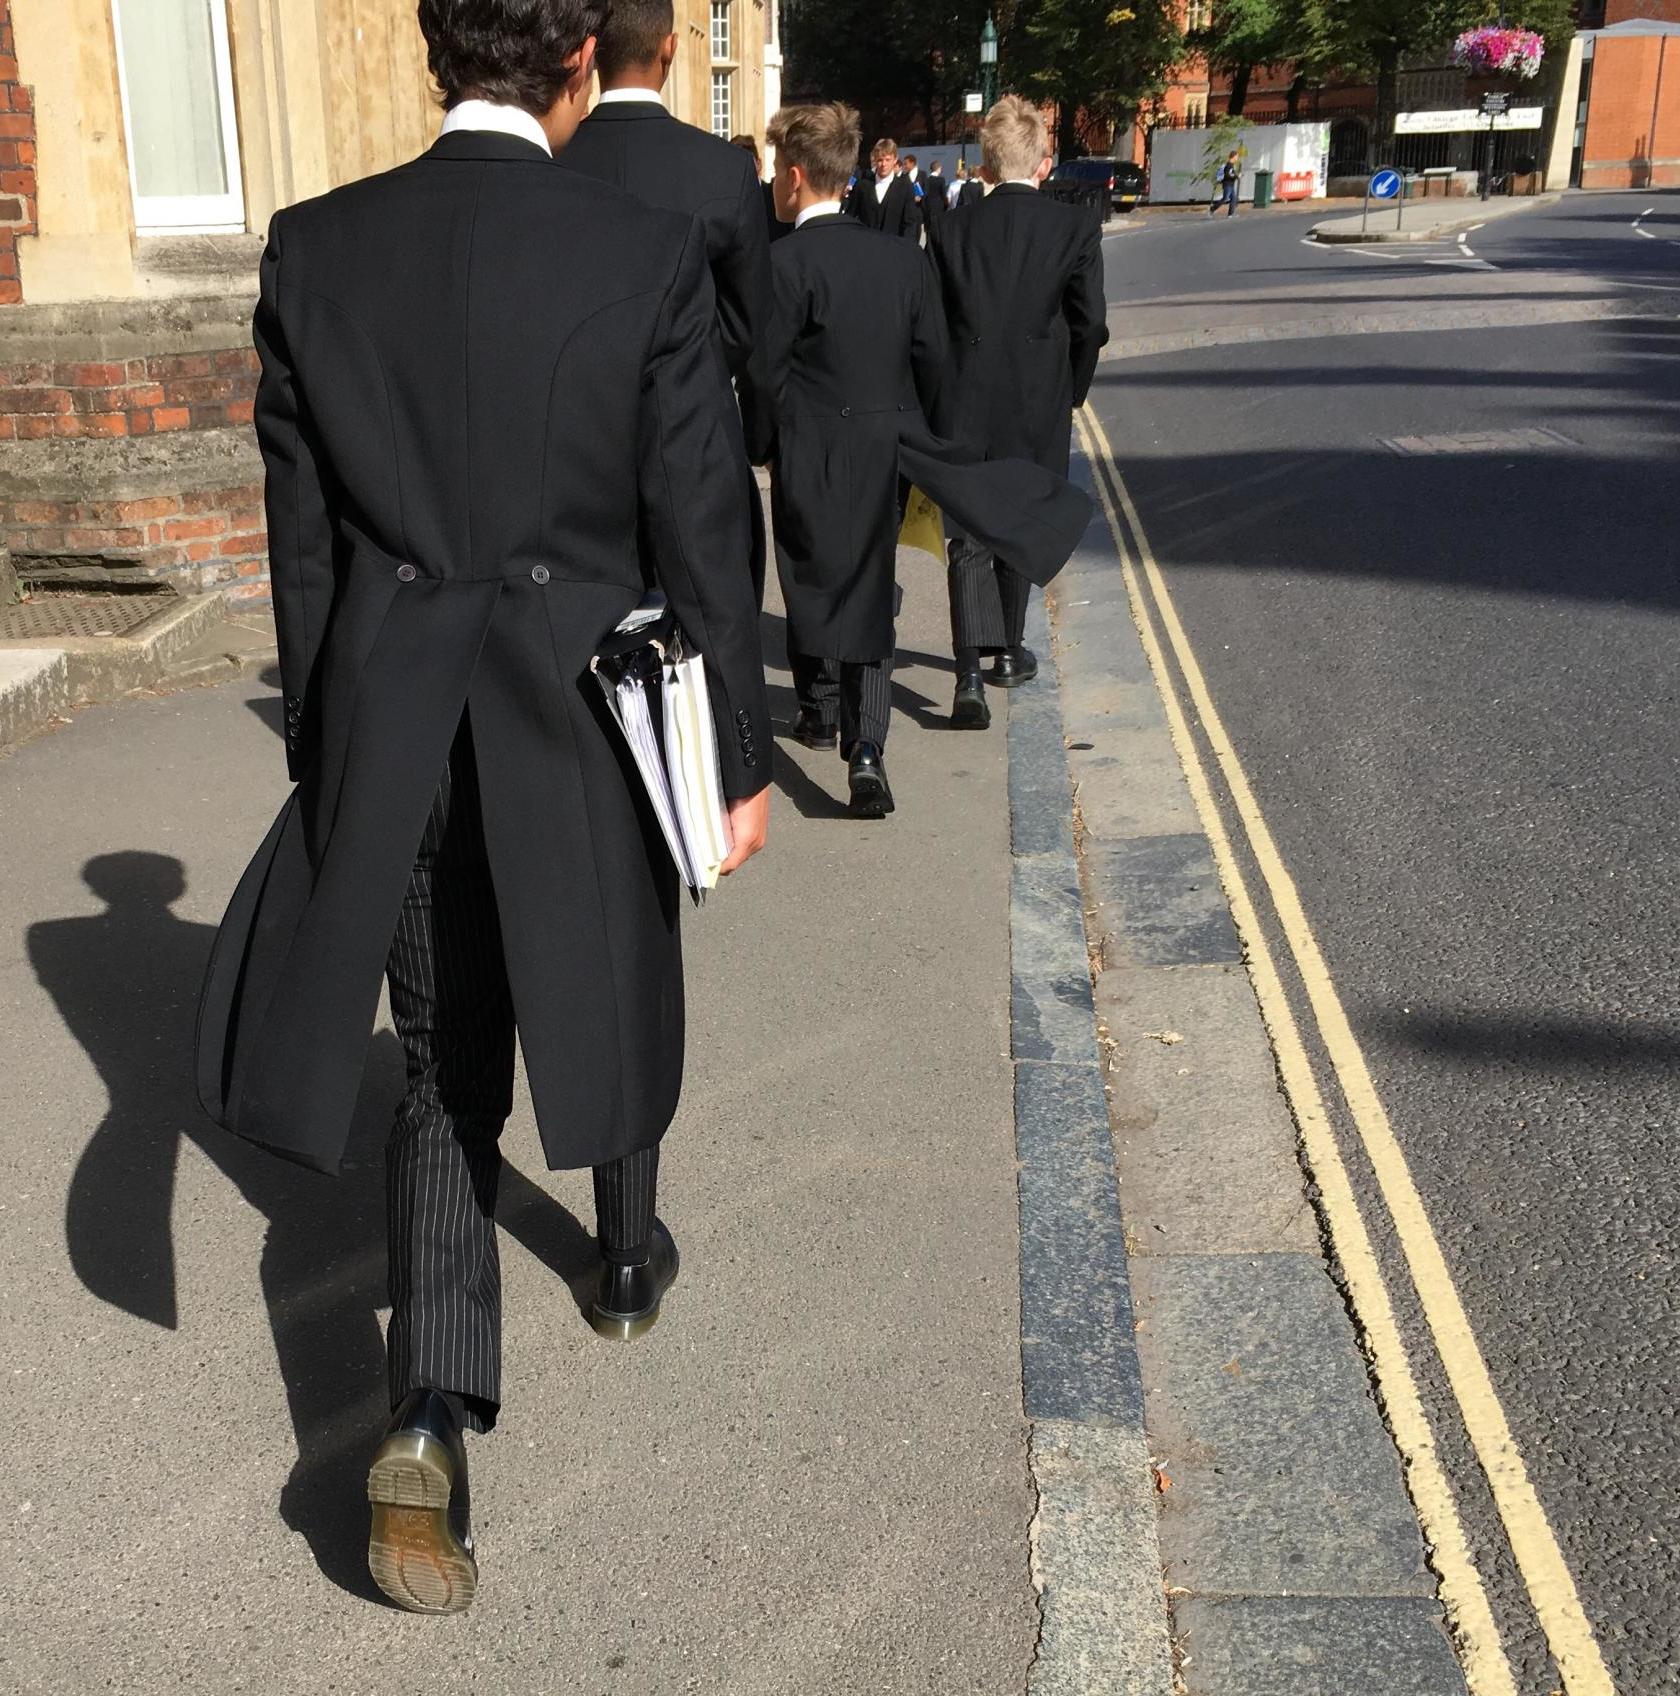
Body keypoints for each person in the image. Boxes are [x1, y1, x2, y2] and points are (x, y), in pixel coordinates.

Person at [196, 0, 771, 1617]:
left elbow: (302, 558)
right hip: (584, 719)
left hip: (401, 729)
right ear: (578, 68)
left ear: (426, 59)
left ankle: (432, 1413)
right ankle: (629, 1259)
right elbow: (702, 530)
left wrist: (335, 762)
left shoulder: (315, 250)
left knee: (445, 1067)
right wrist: (728, 759)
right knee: (600, 978)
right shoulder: (641, 250)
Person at [757, 101, 1090, 817]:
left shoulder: (780, 261)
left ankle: (818, 709)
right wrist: (924, 432)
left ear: (793, 176)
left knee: (812, 571)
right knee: (870, 580)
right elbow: (930, 354)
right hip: (890, 439)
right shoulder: (899, 258)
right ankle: (868, 745)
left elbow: (763, 372)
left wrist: (763, 441)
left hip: (811, 444)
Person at [928, 95, 1108, 726]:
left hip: (964, 396)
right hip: (1038, 399)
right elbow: (1092, 324)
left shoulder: (950, 230)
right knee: (1020, 521)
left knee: (969, 534)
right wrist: (1072, 389)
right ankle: (1007, 650)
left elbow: (930, 327)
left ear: (983, 167)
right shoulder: (1074, 228)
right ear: (1045, 162)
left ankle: (969, 673)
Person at [560, 0, 775, 500]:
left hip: (579, 427)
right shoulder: (724, 168)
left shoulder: (554, 159)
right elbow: (747, 319)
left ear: (592, 54)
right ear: (670, 49)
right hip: (692, 424)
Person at [845, 135, 921, 237]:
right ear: (875, 160)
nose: (883, 164)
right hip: (866, 246)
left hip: (894, 247)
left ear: (895, 160)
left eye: (887, 159)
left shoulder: (905, 187)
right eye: (880, 160)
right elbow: (850, 217)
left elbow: (909, 224)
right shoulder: (862, 186)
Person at [1210, 149, 1241, 215]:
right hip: (1227, 184)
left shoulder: (1232, 165)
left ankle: (1231, 214)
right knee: (1225, 198)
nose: (1237, 158)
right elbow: (1227, 175)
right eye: (1237, 156)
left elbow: (1231, 174)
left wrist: (1236, 176)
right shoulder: (1229, 165)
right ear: (1234, 156)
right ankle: (1212, 208)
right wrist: (1236, 176)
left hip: (1231, 185)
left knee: (1233, 198)